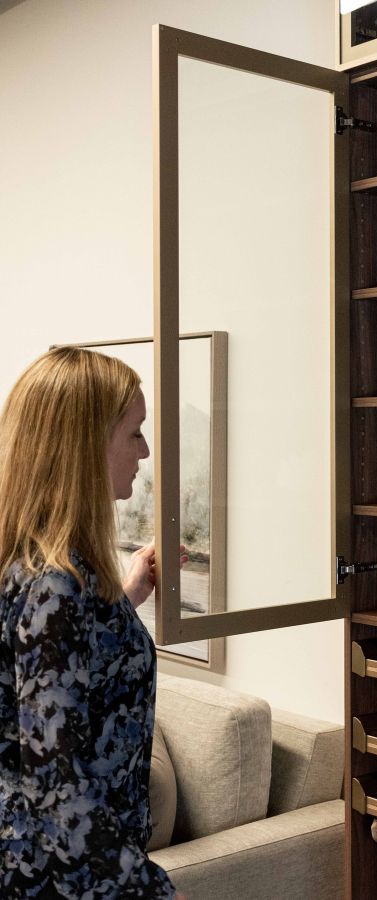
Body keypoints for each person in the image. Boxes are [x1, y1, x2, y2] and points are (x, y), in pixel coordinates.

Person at [0, 347, 187, 899]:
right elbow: (59, 790)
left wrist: (127, 595)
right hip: (60, 881)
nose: (145, 450)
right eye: (135, 433)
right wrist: (148, 890)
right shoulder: (54, 586)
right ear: (86, 447)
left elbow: (62, 672)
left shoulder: (42, 568)